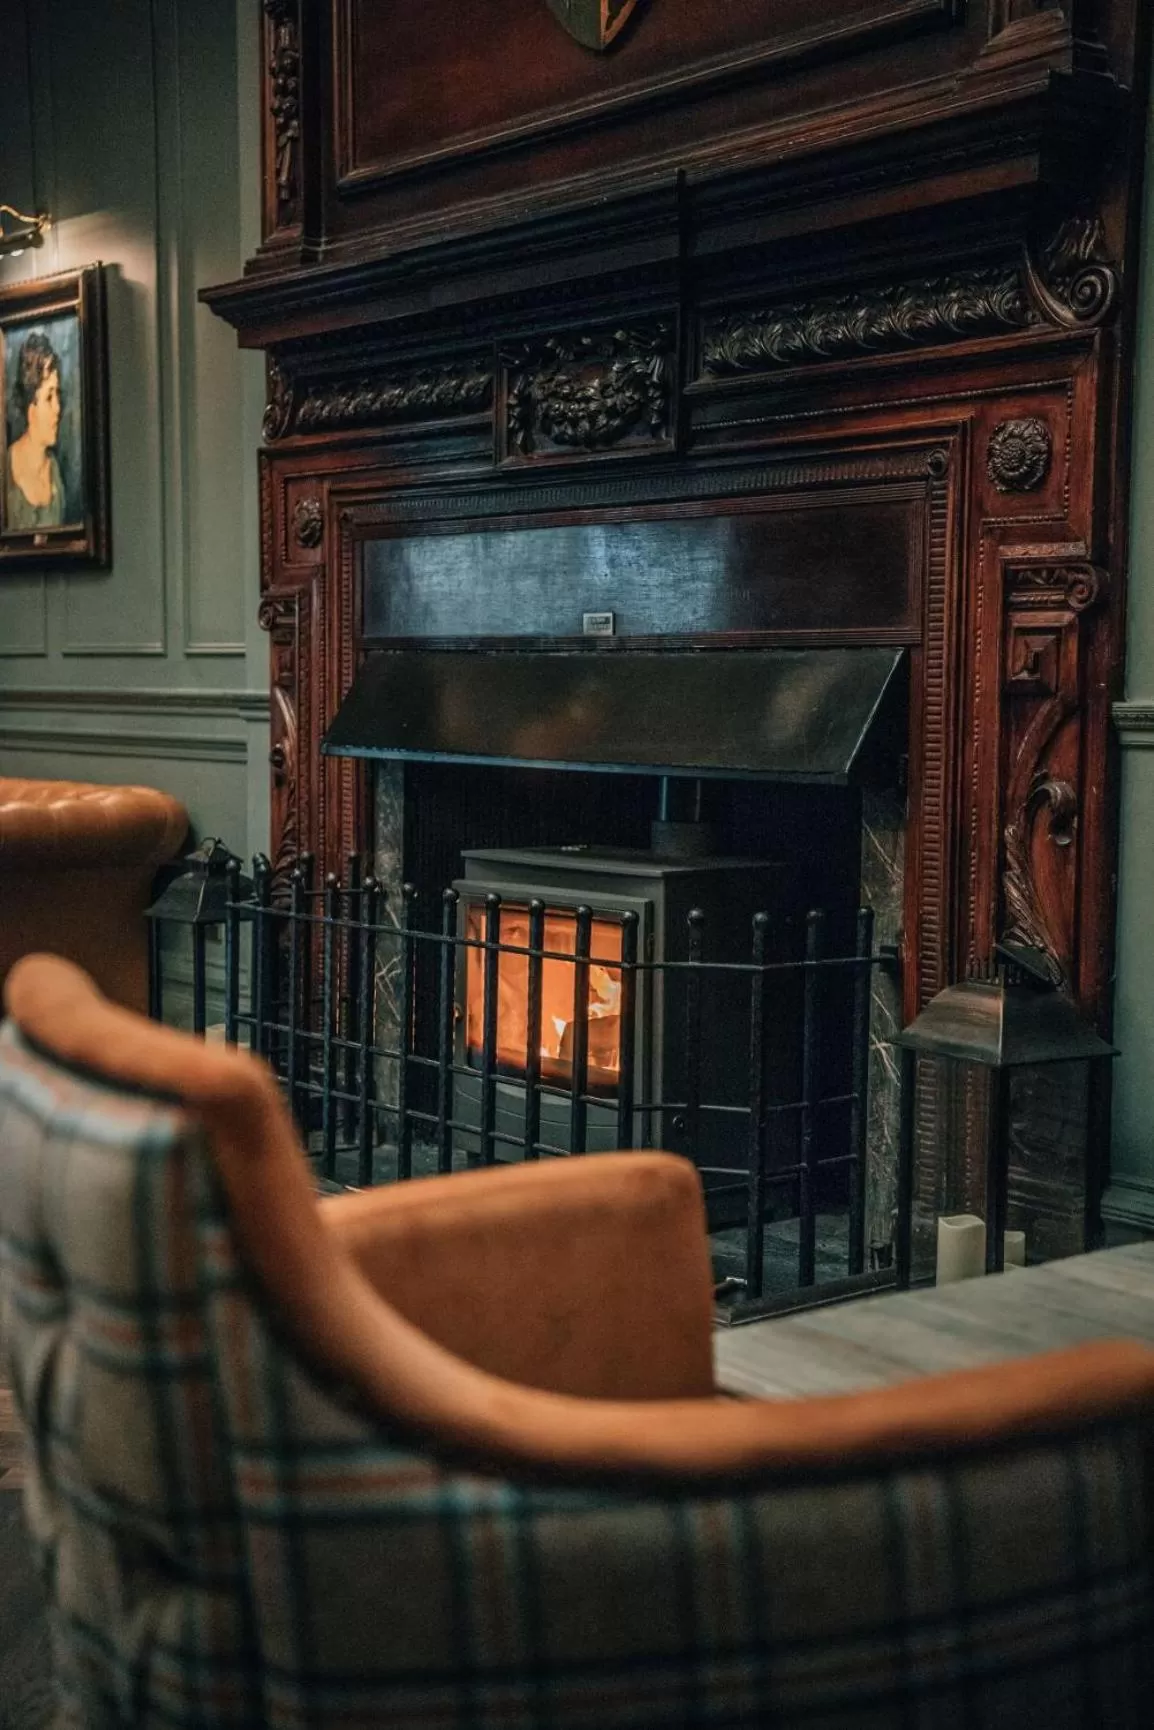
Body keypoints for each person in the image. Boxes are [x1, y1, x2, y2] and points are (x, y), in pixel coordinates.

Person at [5, 331, 65, 531]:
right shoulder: (5, 468)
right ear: (31, 409)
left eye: (57, 395)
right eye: (49, 398)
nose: (58, 408)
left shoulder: (54, 470)